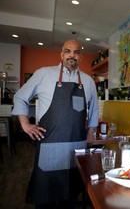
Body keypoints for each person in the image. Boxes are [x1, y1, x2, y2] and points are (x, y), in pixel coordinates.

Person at [11, 39, 98, 208]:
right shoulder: (44, 73)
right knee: (46, 197)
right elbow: (20, 97)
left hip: (76, 146)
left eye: (76, 52)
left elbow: (94, 110)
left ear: (80, 57)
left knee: (71, 196)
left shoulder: (88, 81)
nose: (72, 55)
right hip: (50, 146)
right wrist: (25, 124)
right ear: (61, 55)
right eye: (67, 51)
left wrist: (90, 132)